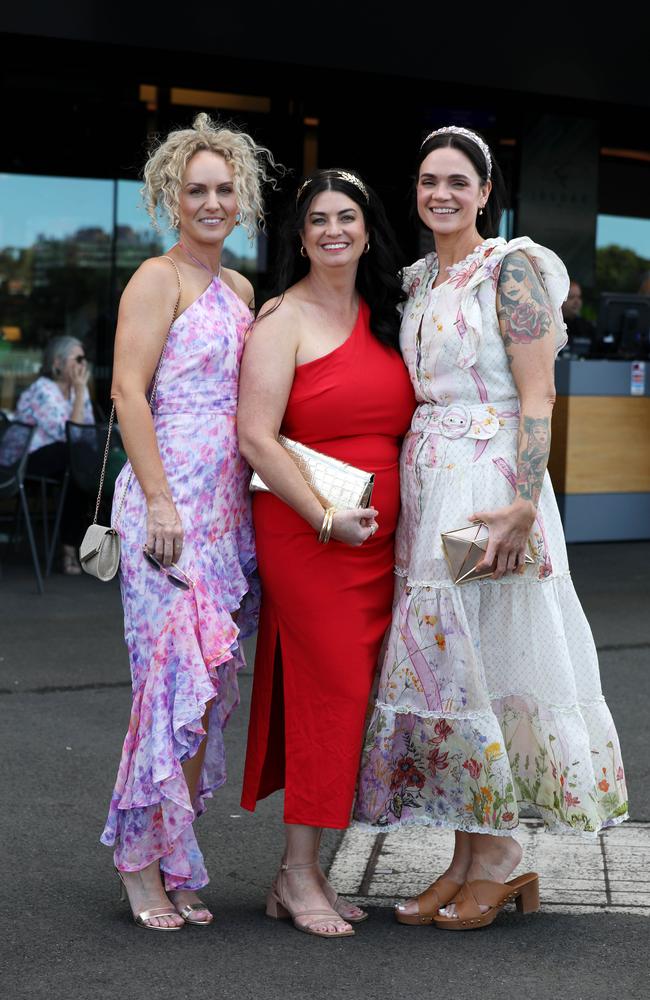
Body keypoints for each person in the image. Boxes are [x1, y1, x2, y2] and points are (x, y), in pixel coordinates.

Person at [353, 127, 628, 930]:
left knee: (496, 655)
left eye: (457, 181)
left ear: (484, 192)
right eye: (428, 180)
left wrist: (521, 501)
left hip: (493, 484)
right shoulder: (420, 279)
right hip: (432, 479)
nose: (441, 193)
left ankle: (502, 859)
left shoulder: (513, 270)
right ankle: (466, 856)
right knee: (452, 669)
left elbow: (539, 394)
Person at [100, 113, 276, 930]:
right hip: (165, 516)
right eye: (195, 189)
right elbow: (127, 393)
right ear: (172, 198)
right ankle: (138, 863)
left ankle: (177, 854)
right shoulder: (155, 278)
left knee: (203, 698)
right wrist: (162, 500)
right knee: (164, 686)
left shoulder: (241, 291)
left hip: (225, 522)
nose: (211, 201)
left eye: (223, 189)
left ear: (240, 199)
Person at [238, 168, 416, 937]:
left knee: (355, 695)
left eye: (348, 216)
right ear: (301, 236)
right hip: (308, 532)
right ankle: (297, 872)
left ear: (369, 230)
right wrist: (321, 518)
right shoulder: (282, 317)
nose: (333, 230)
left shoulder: (386, 318)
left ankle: (300, 872)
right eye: (318, 220)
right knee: (331, 688)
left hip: (376, 542)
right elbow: (255, 434)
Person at [15, 336, 94, 574]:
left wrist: (79, 394)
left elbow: (87, 432)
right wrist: (80, 394)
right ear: (57, 362)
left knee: (84, 464)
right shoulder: (42, 390)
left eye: (84, 359)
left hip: (67, 461)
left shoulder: (77, 390)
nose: (83, 364)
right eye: (77, 359)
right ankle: (71, 548)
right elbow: (70, 434)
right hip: (33, 460)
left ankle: (81, 544)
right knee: (78, 459)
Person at [561, 280, 595, 353]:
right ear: (560, 300)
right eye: (571, 297)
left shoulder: (587, 326)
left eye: (579, 297)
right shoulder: (554, 325)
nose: (577, 301)